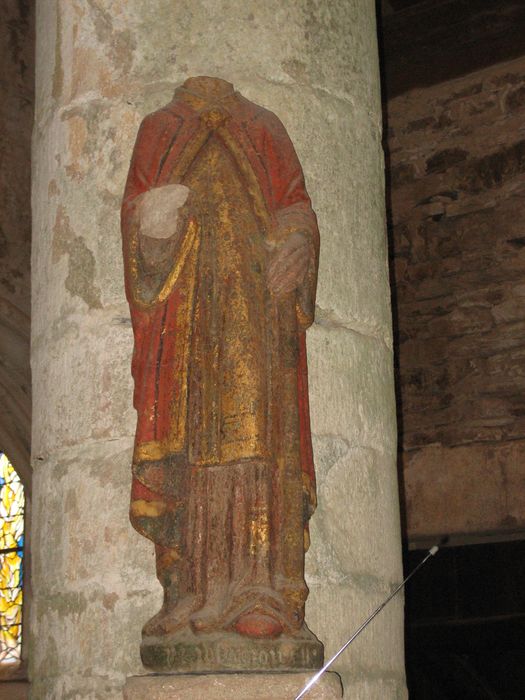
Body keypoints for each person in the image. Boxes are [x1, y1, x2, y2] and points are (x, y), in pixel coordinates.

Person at [121, 76, 320, 642]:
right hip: (185, 320)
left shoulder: (264, 126)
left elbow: (296, 206)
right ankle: (188, 590)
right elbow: (136, 217)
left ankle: (261, 589)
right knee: (189, 440)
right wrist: (152, 228)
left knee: (255, 437)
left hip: (256, 313)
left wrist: (299, 245)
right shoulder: (159, 128)